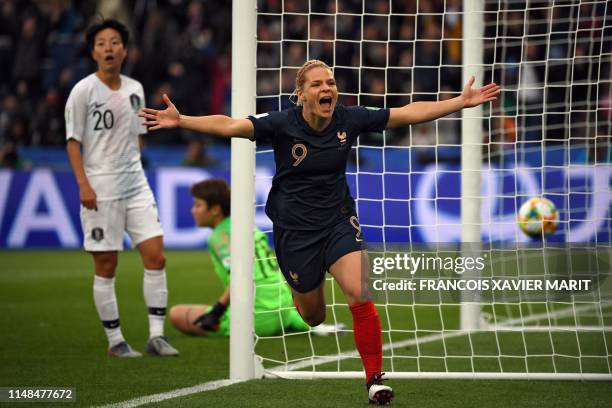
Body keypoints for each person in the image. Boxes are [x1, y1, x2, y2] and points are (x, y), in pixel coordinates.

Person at [140, 59, 500, 404]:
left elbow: (405, 113)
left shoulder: (349, 118)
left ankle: (375, 379)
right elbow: (231, 126)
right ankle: (308, 288)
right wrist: (183, 119)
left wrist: (460, 102)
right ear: (300, 94)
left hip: (338, 221)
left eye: (330, 82)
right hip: (295, 232)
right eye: (317, 84)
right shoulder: (282, 123)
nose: (327, 88)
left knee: (359, 291)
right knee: (313, 315)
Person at [65, 19, 179, 358]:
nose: (109, 48)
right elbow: (73, 143)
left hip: (136, 185)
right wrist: (84, 184)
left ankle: (156, 337)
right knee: (106, 266)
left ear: (125, 50)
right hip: (101, 190)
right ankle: (115, 341)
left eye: (114, 42)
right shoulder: (83, 91)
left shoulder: (135, 88)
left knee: (156, 257)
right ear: (93, 52)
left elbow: (137, 136)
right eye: (101, 43)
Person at [169, 178, 323, 337]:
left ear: (215, 209)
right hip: (283, 309)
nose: (193, 210)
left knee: (176, 314)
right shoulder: (247, 225)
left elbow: (240, 275)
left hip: (256, 318)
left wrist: (216, 311)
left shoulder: (220, 236)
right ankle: (300, 323)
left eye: (198, 205)